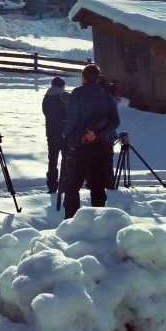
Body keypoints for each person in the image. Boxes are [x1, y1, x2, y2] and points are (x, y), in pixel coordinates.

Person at [61, 63, 120, 219]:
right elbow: (115, 122)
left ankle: (71, 222)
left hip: (82, 146)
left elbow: (72, 120)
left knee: (73, 186)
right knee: (97, 186)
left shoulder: (77, 93)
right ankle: (97, 221)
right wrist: (97, 134)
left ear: (84, 77)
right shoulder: (106, 96)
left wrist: (63, 133)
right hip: (102, 147)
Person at [41, 76, 69, 193]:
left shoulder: (46, 98)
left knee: (52, 160)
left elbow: (45, 113)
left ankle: (52, 186)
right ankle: (65, 184)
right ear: (62, 86)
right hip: (64, 133)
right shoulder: (65, 96)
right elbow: (69, 113)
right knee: (66, 159)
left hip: (51, 134)